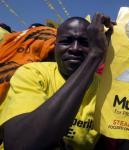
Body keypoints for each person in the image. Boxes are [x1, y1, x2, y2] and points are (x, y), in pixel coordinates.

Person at [0, 13, 114, 150]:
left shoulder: (106, 89)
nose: (75, 48)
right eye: (66, 41)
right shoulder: (33, 73)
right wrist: (95, 55)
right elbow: (19, 145)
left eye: (85, 43)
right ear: (55, 45)